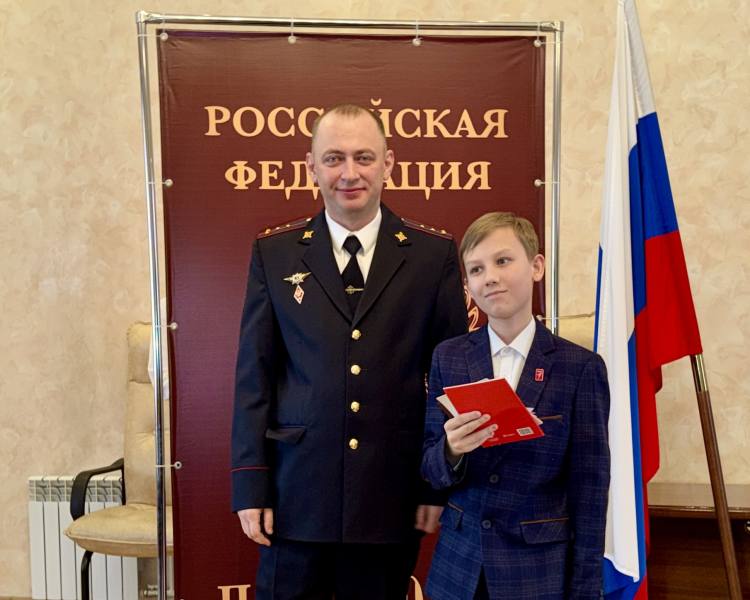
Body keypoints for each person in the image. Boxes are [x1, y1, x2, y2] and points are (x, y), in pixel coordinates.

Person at [231, 103, 468, 599]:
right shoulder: (275, 253)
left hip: (391, 494)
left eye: (364, 157)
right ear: (312, 167)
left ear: (388, 163)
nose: (349, 173)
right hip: (295, 493)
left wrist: (434, 485)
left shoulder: (432, 255)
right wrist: (251, 485)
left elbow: (448, 380)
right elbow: (256, 376)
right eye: (334, 158)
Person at [421, 212, 610, 600]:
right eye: (476, 269)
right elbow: (430, 470)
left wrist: (585, 591)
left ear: (536, 266)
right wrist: (451, 450)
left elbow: (590, 492)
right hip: (457, 571)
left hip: (537, 575)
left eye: (503, 261)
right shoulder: (448, 358)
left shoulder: (579, 368)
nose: (489, 277)